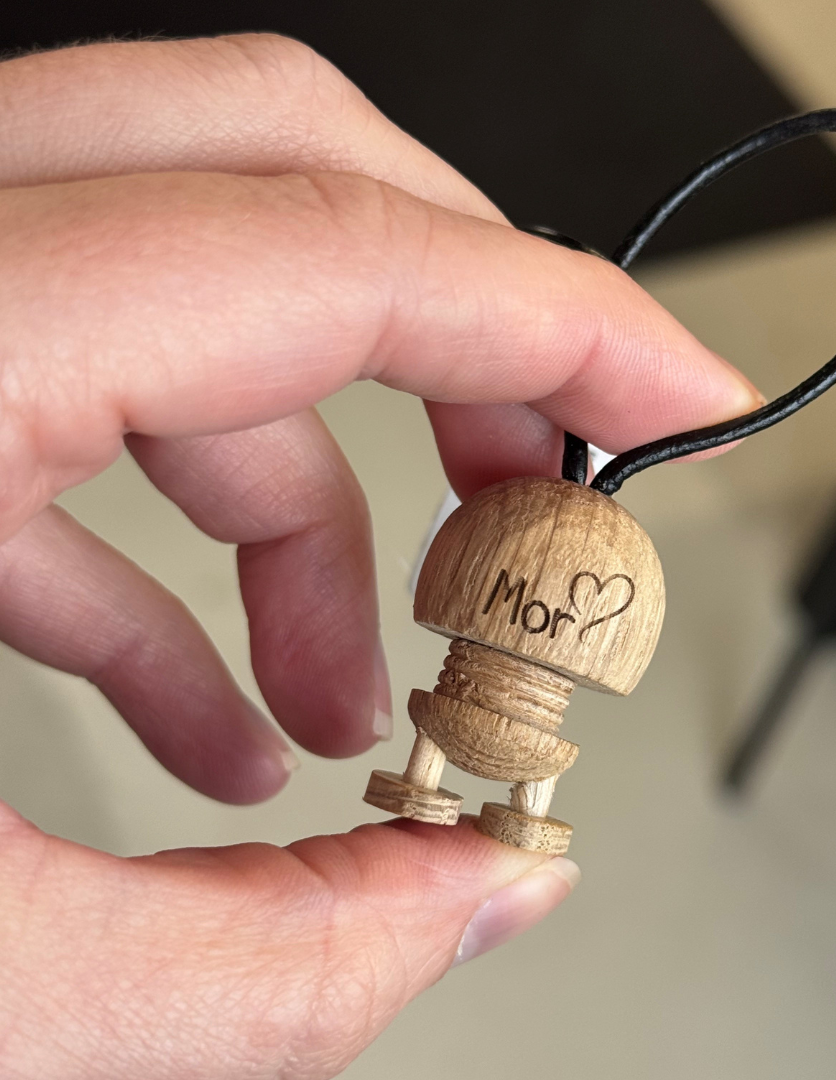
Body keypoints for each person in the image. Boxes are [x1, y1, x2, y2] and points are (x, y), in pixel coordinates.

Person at [0, 34, 761, 1079]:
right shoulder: (515, 539)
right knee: (462, 738)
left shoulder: (575, 558)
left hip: (499, 720)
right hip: (466, 710)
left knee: (486, 746)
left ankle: (492, 802)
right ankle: (480, 800)